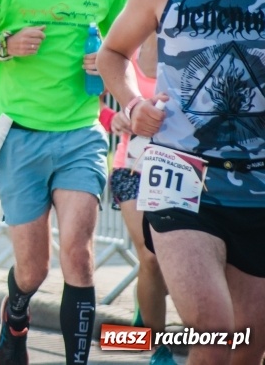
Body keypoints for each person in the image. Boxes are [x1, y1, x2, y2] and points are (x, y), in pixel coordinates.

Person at [97, 0, 265, 364]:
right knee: (213, 329)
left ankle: (143, 341)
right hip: (181, 178)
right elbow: (112, 53)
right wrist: (133, 101)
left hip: (258, 185)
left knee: (248, 347)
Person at [0, 0, 128, 365]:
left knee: (78, 256)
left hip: (81, 133)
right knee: (34, 268)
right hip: (19, 134)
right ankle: (15, 318)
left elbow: (125, 49)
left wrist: (104, 62)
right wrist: (4, 45)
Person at [99, 32, 176, 365]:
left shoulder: (186, 48)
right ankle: (157, 348)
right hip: (131, 168)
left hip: (179, 173)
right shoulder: (124, 51)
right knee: (150, 257)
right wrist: (112, 118)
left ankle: (145, 309)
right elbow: (91, 98)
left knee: (174, 264)